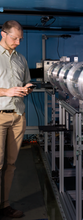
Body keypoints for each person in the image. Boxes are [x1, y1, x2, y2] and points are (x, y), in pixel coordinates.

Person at [0, 20, 34, 218]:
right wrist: (6, 92)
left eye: (20, 39)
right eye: (14, 38)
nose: (18, 42)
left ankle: (4, 205)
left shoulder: (21, 59)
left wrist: (26, 87)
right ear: (3, 34)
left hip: (18, 116)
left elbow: (25, 80)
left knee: (10, 164)